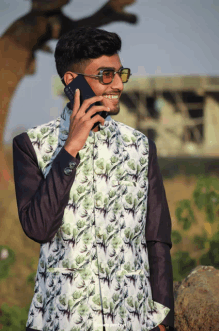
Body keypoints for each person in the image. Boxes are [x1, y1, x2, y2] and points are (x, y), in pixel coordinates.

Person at [13, 27, 174, 331]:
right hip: (62, 320)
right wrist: (70, 148)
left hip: (133, 320)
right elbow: (38, 227)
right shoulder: (31, 145)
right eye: (105, 75)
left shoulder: (140, 147)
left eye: (120, 73)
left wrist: (163, 316)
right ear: (71, 81)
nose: (117, 85)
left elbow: (157, 237)